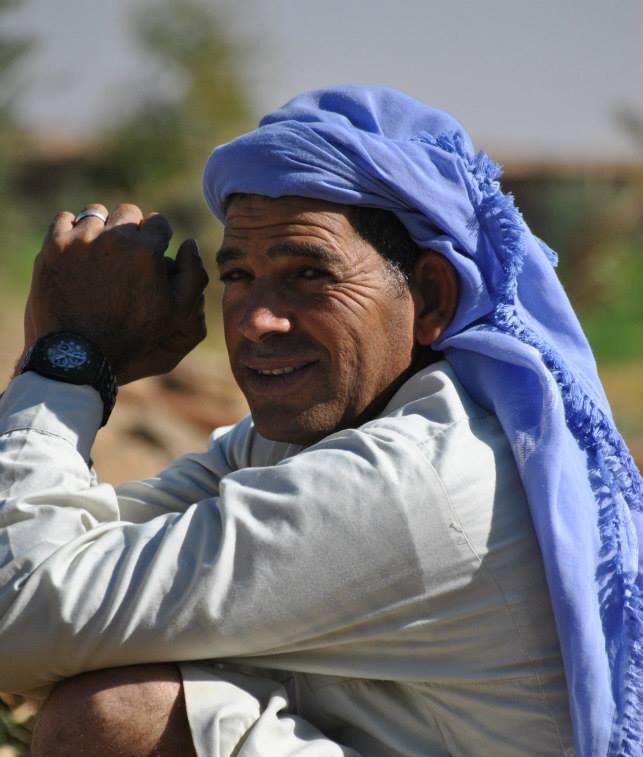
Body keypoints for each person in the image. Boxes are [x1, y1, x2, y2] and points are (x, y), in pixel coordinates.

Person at [0, 86, 640, 757]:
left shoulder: (414, 479)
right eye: (238, 275)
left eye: (308, 274)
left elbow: (19, 612)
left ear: (430, 297)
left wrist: (66, 361)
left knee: (115, 717)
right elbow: (51, 560)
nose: (256, 319)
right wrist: (66, 360)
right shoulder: (293, 440)